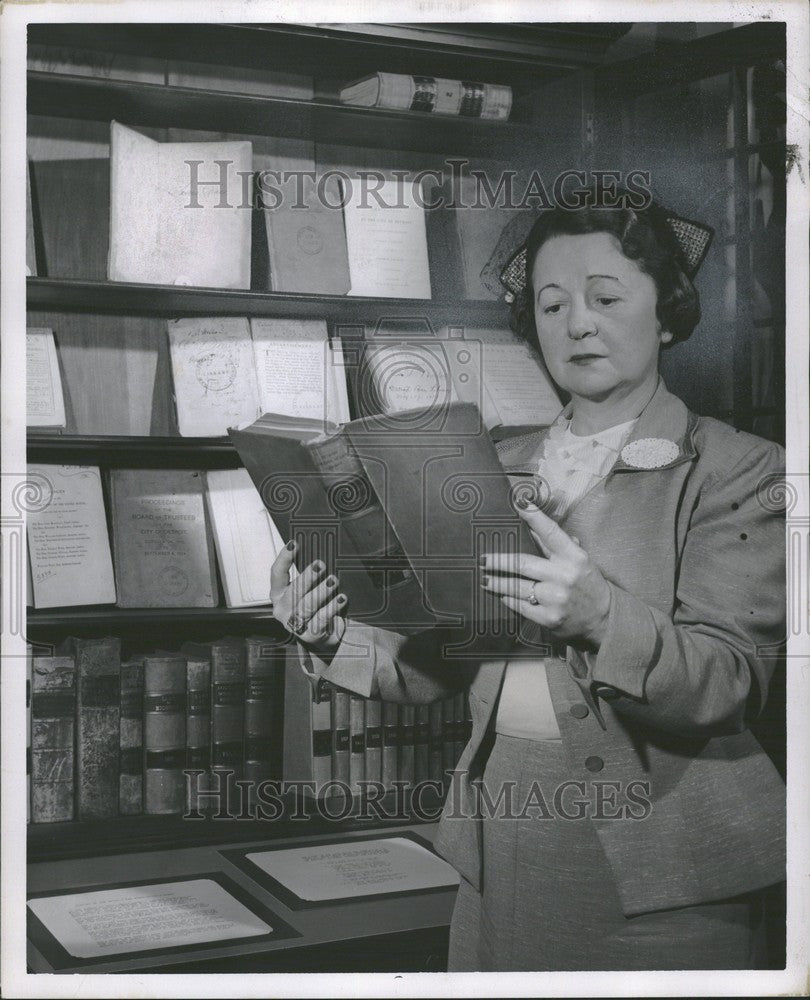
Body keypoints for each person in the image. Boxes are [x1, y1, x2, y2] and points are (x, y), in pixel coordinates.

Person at [269, 194, 787, 971]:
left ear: (669, 315)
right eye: (552, 304)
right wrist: (333, 633)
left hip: (667, 862)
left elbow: (732, 682)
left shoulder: (739, 468)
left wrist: (600, 616)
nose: (577, 322)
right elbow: (445, 664)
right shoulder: (491, 460)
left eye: (606, 298)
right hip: (494, 835)